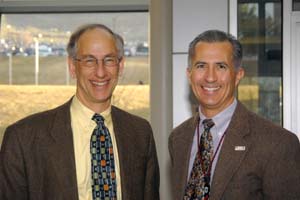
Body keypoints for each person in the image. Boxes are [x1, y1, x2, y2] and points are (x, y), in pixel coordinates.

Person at [0, 23, 160, 200]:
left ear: (120, 66)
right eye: (89, 60)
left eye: (109, 60)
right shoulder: (23, 139)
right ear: (72, 66)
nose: (100, 72)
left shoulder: (140, 134)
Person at [169, 29, 300, 200]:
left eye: (221, 67)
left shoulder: (277, 143)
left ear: (238, 75)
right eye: (201, 66)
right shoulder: (178, 138)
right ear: (189, 74)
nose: (210, 77)